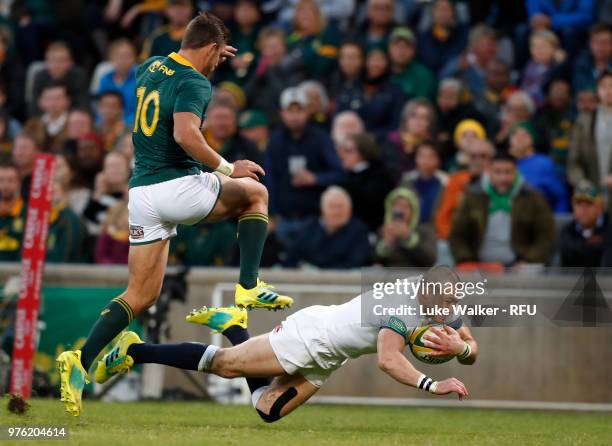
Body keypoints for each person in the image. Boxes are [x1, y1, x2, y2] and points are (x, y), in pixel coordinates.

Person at [57, 13, 293, 417]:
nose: (220, 64)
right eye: (218, 55)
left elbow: (184, 65)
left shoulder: (151, 66)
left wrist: (212, 48)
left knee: (141, 294)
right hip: (176, 187)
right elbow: (186, 135)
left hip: (142, 192)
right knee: (256, 193)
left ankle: (78, 361)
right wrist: (226, 167)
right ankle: (248, 287)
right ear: (212, 49)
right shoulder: (195, 82)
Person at [93, 266, 476, 423]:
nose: (450, 312)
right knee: (225, 366)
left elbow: (470, 346)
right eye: (445, 305)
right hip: (311, 337)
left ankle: (234, 326)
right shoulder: (399, 306)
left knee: (267, 411)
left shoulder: (440, 300)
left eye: (453, 305)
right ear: (426, 293)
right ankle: (133, 350)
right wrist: (432, 384)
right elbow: (388, 361)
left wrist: (461, 350)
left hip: (330, 356)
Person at [264, 87, 343, 243]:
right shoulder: (275, 141)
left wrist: (315, 178)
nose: (294, 116)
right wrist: (272, 212)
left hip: (314, 219)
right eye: (290, 111)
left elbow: (339, 173)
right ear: (282, 113)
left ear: (307, 111)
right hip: (283, 219)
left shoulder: (320, 138)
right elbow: (269, 179)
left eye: (299, 110)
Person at [449, 153, 554, 267]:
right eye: (498, 172)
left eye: (508, 172)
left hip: (520, 264)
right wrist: (465, 260)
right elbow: (457, 234)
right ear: (489, 172)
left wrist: (529, 259)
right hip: (478, 264)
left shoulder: (532, 197)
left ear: (516, 172)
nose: (503, 178)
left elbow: (546, 234)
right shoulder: (473, 195)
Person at [285, 186, 371, 269]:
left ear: (350, 210)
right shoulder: (307, 228)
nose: (336, 212)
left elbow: (357, 262)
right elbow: (292, 257)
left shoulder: (359, 232)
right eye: (332, 206)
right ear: (323, 209)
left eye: (340, 206)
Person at [568, 70, 612, 215]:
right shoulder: (584, 121)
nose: (608, 91)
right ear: (597, 90)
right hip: (592, 197)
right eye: (604, 86)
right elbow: (573, 162)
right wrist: (582, 183)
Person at [435, 139, 494, 240]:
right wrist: (452, 239)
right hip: (458, 240)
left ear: (492, 159)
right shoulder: (456, 181)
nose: (478, 160)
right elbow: (443, 217)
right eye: (473, 156)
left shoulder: (501, 182)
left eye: (483, 156)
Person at [336, 133, 394, 232]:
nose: (342, 155)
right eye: (342, 151)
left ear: (363, 153)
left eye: (348, 151)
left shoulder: (379, 175)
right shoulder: (345, 175)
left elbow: (369, 203)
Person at [508, 121, 569, 213]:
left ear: (532, 139)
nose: (519, 139)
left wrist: (558, 221)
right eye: (515, 135)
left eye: (525, 134)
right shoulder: (505, 164)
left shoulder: (543, 163)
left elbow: (561, 197)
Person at [375, 187, 437, 267]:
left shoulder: (425, 231)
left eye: (405, 207)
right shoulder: (384, 230)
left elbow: (429, 260)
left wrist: (408, 237)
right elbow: (374, 260)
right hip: (390, 278)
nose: (401, 210)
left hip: (417, 277)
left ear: (414, 210)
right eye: (397, 205)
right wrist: (387, 244)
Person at [28, 41, 88, 116]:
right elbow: (34, 105)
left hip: (71, 119)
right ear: (47, 62)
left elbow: (82, 104)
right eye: (53, 60)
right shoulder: (39, 77)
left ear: (70, 62)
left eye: (61, 60)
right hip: (45, 118)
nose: (57, 65)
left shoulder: (78, 76)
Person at [383, 98, 436, 180]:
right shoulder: (392, 140)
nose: (419, 121)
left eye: (424, 117)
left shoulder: (432, 145)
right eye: (414, 116)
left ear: (429, 123)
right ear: (406, 118)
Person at [559, 181, 608, 267]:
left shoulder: (609, 227)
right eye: (579, 204)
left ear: (600, 207)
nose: (583, 209)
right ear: (573, 206)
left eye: (589, 204)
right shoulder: (567, 231)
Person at [417, 0, 469, 77]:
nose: (443, 13)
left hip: (455, 79)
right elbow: (431, 61)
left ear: (453, 13)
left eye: (446, 9)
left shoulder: (462, 33)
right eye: (439, 9)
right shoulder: (424, 37)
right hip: (429, 79)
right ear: (433, 12)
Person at [203, 100, 263, 165]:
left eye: (226, 117)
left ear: (235, 121)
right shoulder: (197, 143)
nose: (222, 123)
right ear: (207, 120)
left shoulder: (247, 147)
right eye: (218, 117)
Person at [401, 141, 448, 224]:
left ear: (438, 160)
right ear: (416, 158)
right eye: (421, 156)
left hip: (437, 232)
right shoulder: (406, 181)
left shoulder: (447, 182)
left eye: (430, 156)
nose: (425, 160)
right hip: (411, 231)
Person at [388, 27, 436, 101]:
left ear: (414, 50)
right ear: (389, 48)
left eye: (407, 46)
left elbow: (421, 106)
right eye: (397, 45)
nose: (401, 50)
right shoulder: (381, 69)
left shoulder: (423, 76)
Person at [97, 39, 138, 125]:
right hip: (107, 125)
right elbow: (101, 108)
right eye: (119, 56)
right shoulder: (105, 79)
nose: (123, 60)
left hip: (132, 126)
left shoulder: (141, 79)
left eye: (127, 56)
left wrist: (124, 123)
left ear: (134, 58)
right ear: (111, 58)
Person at [24, 82, 71, 153]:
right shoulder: (32, 124)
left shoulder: (73, 123)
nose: (53, 103)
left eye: (58, 98)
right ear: (40, 102)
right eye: (49, 98)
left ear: (67, 100)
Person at [573, 23, 612, 92]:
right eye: (595, 42)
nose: (599, 47)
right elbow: (580, 89)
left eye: (605, 42)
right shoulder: (581, 63)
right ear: (590, 44)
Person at [0, 162, 25, 262]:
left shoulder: (29, 213)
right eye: (1, 180)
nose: (5, 185)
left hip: (18, 274)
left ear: (19, 183)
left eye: (10, 180)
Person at [95, 200, 130, 265]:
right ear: (117, 217)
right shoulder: (107, 235)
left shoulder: (133, 237)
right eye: (128, 214)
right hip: (109, 270)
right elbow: (100, 256)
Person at [11, 132, 41, 200]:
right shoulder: (4, 174)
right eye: (16, 147)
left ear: (37, 151)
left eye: (24, 148)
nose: (19, 153)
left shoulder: (41, 179)